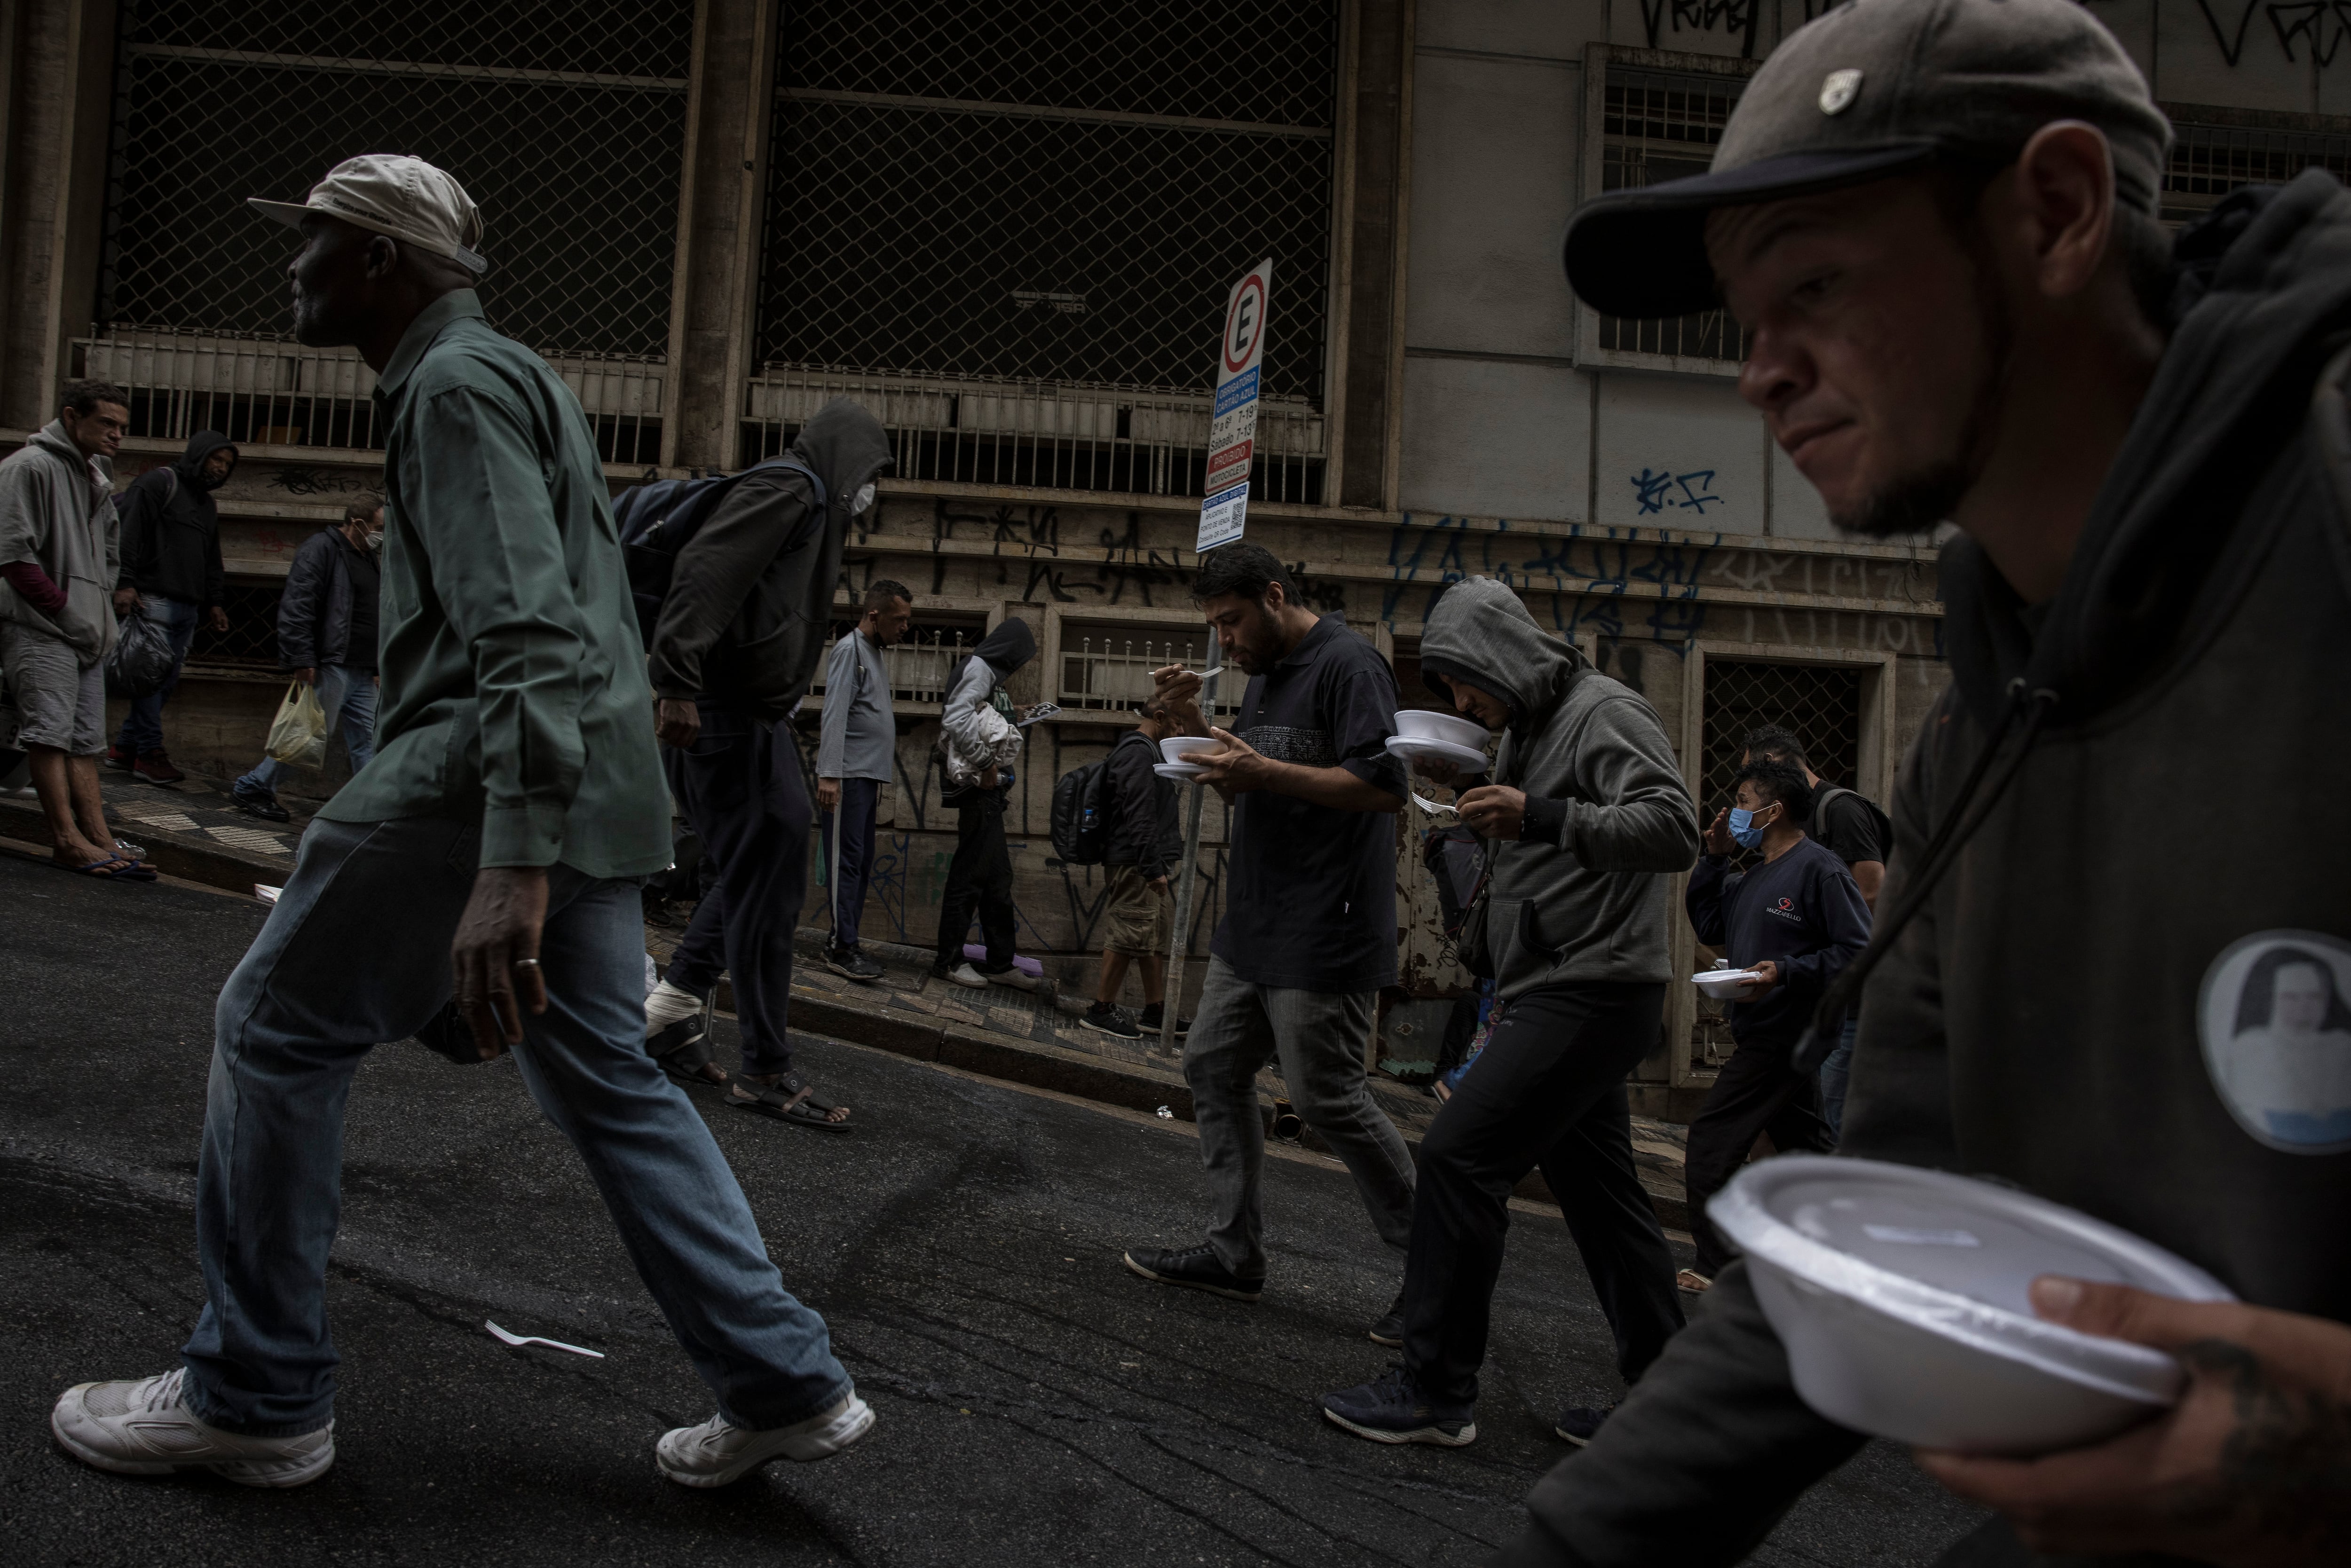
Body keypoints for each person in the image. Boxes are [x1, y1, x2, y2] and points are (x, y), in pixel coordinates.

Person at [1499, 1, 2351, 1562]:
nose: (1761, 372)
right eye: (1739, 314)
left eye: (1816, 283)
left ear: (2058, 211)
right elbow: (1885, 1199)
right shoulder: (1985, 733)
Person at [48, 154, 872, 1490]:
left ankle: (254, 1390)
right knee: (606, 1073)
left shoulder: (452, 385)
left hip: (483, 773)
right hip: (587, 778)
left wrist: (509, 864)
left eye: (314, 242)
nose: (294, 266)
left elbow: (529, 627)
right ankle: (782, 1376)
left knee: (274, 1028)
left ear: (382, 256)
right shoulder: (510, 373)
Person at [1318, 576, 1698, 1451]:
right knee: (1603, 1198)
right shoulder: (1528, 725)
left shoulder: (1605, 710)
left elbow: (1673, 827)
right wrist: (1478, 786)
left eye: (1461, 684)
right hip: (1561, 982)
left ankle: (1435, 1391)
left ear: (1499, 659)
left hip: (1594, 986)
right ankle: (1668, 1404)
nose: (1460, 701)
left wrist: (1541, 814)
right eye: (1447, 691)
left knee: (1457, 1158)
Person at [1120, 543, 1416, 1340]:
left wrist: (1263, 777)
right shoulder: (1263, 677)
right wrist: (1188, 725)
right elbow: (1256, 762)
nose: (1224, 642)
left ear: (1276, 596)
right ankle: (1234, 1253)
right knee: (1211, 1065)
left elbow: (1387, 789)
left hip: (1328, 925)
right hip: (1253, 923)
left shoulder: (1351, 666)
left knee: (1326, 1098)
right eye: (1215, 626)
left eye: (1232, 622)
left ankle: (1434, 1271)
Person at [639, 400, 892, 1131]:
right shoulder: (790, 488)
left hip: (749, 716)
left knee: (762, 865)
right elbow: (706, 572)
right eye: (869, 470)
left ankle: (676, 1011)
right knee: (765, 883)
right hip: (719, 711)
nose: (870, 489)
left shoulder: (811, 506)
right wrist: (676, 680)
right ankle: (765, 1067)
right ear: (844, 456)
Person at [1679, 758, 1868, 1292]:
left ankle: (1718, 1265)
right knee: (1807, 1146)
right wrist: (1713, 860)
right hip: (1757, 1023)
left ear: (1773, 809)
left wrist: (1784, 972)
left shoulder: (1819, 869)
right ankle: (1846, 1245)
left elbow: (1856, 951)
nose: (1733, 813)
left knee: (1712, 1138)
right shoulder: (1751, 875)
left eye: (1741, 802)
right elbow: (1712, 926)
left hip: (1786, 1031)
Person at [0, 379, 150, 881]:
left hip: (88, 629)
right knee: (49, 734)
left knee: (86, 739)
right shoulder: (29, 467)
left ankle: (99, 836)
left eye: (122, 427)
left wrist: (98, 608)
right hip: (42, 626)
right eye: (106, 423)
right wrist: (67, 611)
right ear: (71, 417)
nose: (116, 435)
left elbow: (110, 553)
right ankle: (66, 839)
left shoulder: (95, 478)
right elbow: (15, 556)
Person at [1738, 722, 1888, 1136]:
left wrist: (1810, 940)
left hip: (1849, 999)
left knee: (1833, 1123)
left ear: (1771, 765)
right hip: (1809, 998)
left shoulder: (1839, 809)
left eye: (1749, 782)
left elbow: (1872, 891)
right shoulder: (1796, 823)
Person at [229, 497, 382, 823]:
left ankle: (374, 809)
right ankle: (255, 785)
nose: (381, 535)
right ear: (358, 523)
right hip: (332, 664)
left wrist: (378, 665)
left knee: (370, 740)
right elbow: (299, 604)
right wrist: (302, 657)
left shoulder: (369, 558)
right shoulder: (322, 549)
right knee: (307, 735)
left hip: (363, 669)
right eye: (378, 528)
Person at [105, 430, 236, 784]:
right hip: (153, 601)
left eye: (227, 464)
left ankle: (125, 747)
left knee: (165, 681)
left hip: (187, 607)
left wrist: (216, 602)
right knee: (149, 679)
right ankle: (150, 753)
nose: (221, 469)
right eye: (216, 460)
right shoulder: (158, 483)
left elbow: (212, 558)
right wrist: (126, 583)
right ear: (198, 455)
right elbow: (127, 535)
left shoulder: (207, 505)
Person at [931, 617, 1044, 991]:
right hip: (980, 788)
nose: (1020, 663)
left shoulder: (989, 674)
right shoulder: (980, 668)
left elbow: (979, 713)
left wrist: (1018, 713)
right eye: (1021, 655)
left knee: (997, 879)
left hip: (990, 792)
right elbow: (957, 715)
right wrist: (986, 763)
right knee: (971, 875)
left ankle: (1000, 963)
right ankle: (948, 960)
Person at [816, 578, 912, 984]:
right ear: (875, 616)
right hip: (848, 776)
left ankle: (847, 940)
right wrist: (830, 774)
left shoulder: (872, 653)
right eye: (899, 620)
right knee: (845, 863)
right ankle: (842, 948)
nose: (904, 628)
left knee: (860, 863)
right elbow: (835, 713)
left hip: (866, 778)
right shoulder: (849, 650)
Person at [1081, 698, 1185, 1040]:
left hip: (1143, 860)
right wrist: (1152, 868)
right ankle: (1100, 1010)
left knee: (1149, 932)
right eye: (1178, 723)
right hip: (1135, 862)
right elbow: (1139, 815)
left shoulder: (1147, 752)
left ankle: (1155, 1010)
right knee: (1129, 930)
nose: (1181, 731)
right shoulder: (1138, 753)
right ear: (1159, 717)